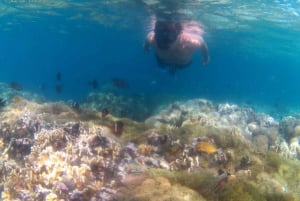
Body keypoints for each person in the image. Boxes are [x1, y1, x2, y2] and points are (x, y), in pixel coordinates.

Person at [144, 19, 209, 74]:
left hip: (182, 64)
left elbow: (202, 43)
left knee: (174, 67)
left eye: (170, 35)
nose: (163, 39)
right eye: (159, 33)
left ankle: (173, 68)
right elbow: (148, 38)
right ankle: (171, 68)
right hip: (164, 61)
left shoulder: (189, 42)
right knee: (161, 65)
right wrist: (146, 47)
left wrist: (206, 57)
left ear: (179, 34)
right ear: (156, 32)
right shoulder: (152, 39)